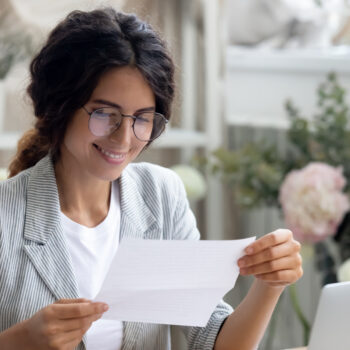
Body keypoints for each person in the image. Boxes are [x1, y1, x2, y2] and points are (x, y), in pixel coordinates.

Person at [0, 7, 303, 350]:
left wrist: (270, 284)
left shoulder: (161, 195)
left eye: (142, 119)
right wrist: (17, 342)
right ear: (60, 106)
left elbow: (213, 341)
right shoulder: (5, 216)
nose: (124, 139)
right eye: (105, 114)